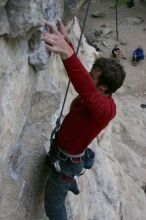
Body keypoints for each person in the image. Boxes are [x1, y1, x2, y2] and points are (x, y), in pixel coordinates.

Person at [43, 19, 126, 220]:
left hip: (67, 162)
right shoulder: (98, 97)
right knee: (50, 165)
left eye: (93, 76)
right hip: (64, 153)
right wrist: (68, 44)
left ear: (104, 87)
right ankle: (69, 181)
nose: (89, 77)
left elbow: (84, 85)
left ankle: (67, 181)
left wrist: (67, 53)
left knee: (53, 209)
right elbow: (87, 82)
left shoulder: (104, 108)